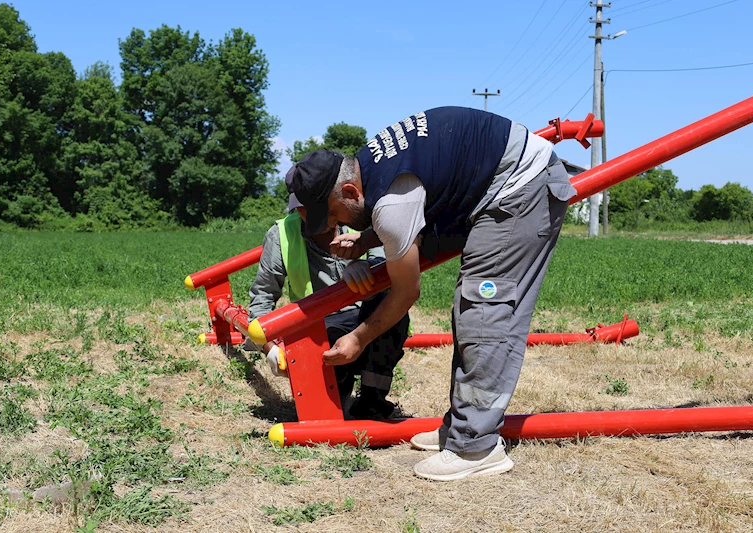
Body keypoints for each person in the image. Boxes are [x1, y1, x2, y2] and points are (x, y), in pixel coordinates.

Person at [285, 107, 576, 481]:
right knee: (468, 312)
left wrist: (358, 338)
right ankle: (461, 427)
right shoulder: (369, 167)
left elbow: (406, 292)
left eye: (331, 214)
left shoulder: (390, 203)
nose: (334, 224)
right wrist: (366, 241)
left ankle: (476, 446)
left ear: (350, 191)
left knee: (483, 310)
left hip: (520, 187)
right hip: (500, 183)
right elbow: (413, 203)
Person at [246, 174, 410, 420]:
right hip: (318, 326)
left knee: (394, 315)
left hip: (366, 318)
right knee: (327, 343)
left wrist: (365, 264)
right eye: (301, 209)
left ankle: (372, 400)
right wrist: (269, 347)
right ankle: (335, 392)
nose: (309, 216)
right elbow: (262, 297)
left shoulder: (361, 219)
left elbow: (387, 262)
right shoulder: (281, 234)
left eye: (315, 208)